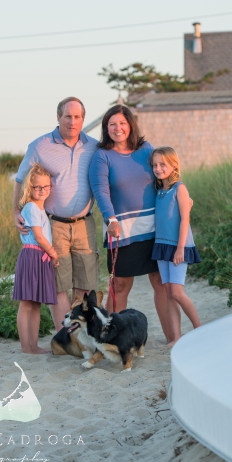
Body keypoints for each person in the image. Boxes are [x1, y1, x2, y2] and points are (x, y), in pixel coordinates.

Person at [88, 105, 178, 343]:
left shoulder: (146, 149)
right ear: (107, 129)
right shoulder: (102, 156)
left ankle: (172, 339)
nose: (118, 129)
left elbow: (164, 175)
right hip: (121, 230)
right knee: (119, 286)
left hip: (153, 229)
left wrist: (180, 193)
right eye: (112, 124)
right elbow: (100, 191)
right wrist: (111, 220)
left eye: (122, 123)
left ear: (131, 125)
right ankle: (111, 340)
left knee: (161, 283)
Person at [14, 97, 100, 332]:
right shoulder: (40, 145)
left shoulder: (94, 146)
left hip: (85, 223)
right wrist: (15, 211)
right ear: (58, 117)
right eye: (68, 116)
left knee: (85, 281)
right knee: (59, 284)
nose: (73, 121)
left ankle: (81, 335)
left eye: (78, 117)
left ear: (83, 118)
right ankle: (66, 338)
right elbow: (21, 179)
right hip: (54, 225)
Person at [150, 147, 202, 347]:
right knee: (168, 291)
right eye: (155, 165)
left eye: (163, 164)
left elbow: (184, 219)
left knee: (178, 292)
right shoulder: (160, 191)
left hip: (178, 247)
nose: (158, 168)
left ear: (174, 165)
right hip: (162, 246)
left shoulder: (179, 188)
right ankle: (176, 338)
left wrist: (180, 248)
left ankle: (199, 329)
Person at [13, 164, 58, 354]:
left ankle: (34, 345)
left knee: (36, 304)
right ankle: (26, 347)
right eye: (37, 187)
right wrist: (53, 253)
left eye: (45, 187)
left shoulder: (41, 210)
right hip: (32, 255)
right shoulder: (31, 207)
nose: (41, 190)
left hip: (41, 257)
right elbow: (39, 237)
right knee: (26, 304)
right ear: (29, 188)